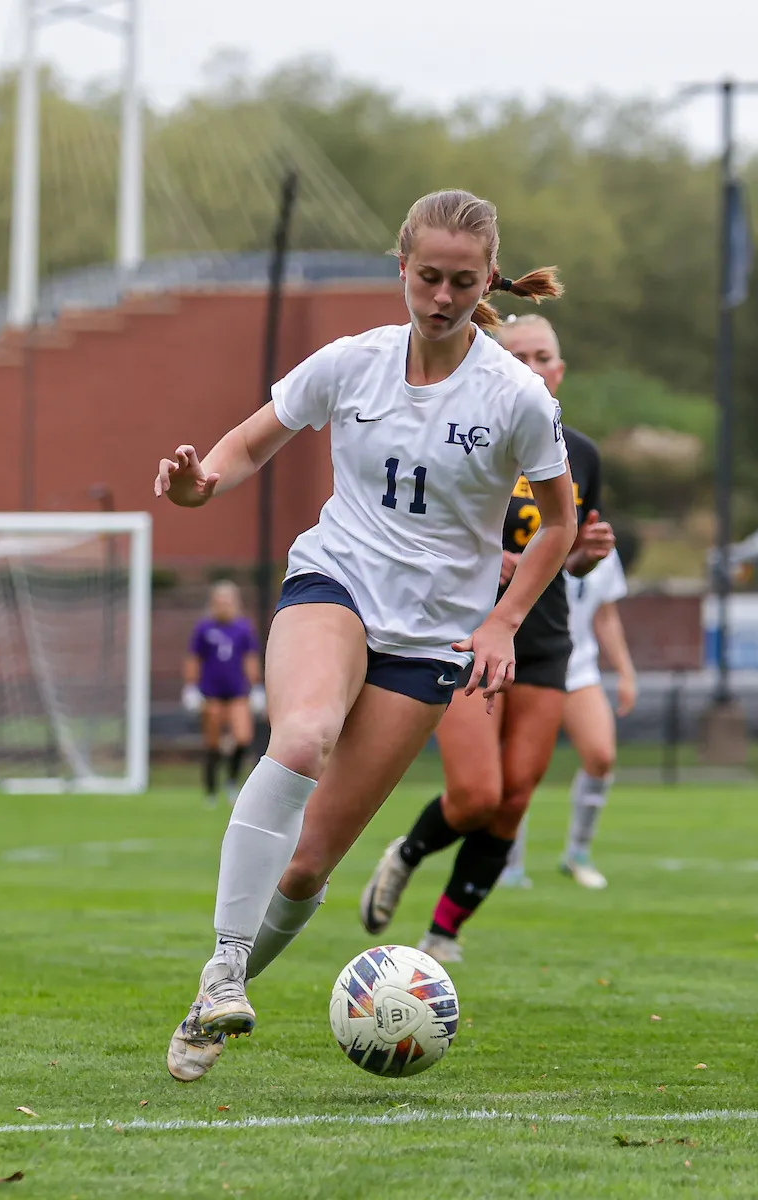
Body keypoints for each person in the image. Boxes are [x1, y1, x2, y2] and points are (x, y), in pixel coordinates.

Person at [155, 189, 580, 1082]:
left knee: (309, 867)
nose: (441, 297)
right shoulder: (352, 363)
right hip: (335, 582)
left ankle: (204, 1007)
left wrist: (502, 621)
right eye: (427, 277)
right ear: (402, 271)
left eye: (462, 282)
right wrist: (201, 485)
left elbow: (557, 526)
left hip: (429, 642)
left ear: (486, 281)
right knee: (302, 734)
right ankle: (228, 968)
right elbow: (249, 442)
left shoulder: (514, 397)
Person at [360, 314, 614, 963]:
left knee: (515, 799)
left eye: (543, 355)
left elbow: (565, 548)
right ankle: (407, 854)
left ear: (559, 372)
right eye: (518, 354)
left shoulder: (579, 453)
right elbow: (419, 520)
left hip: (544, 636)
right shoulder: (464, 435)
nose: (531, 365)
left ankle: (444, 932)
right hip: (463, 628)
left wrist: (581, 555)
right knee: (477, 793)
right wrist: (478, 556)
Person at [501, 547, 636, 890]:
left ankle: (577, 854)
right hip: (528, 664)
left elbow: (605, 615)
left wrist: (624, 670)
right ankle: (508, 862)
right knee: (519, 768)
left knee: (601, 756)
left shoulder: (600, 545)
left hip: (578, 669)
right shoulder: (528, 531)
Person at [182, 580, 265, 806]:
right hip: (211, 693)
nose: (224, 606)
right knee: (213, 742)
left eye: (228, 602)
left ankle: (231, 783)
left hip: (237, 692)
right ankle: (210, 791)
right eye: (219, 602)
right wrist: (190, 686)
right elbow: (194, 659)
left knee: (242, 737)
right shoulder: (204, 629)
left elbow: (250, 659)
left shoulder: (244, 629)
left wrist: (256, 687)